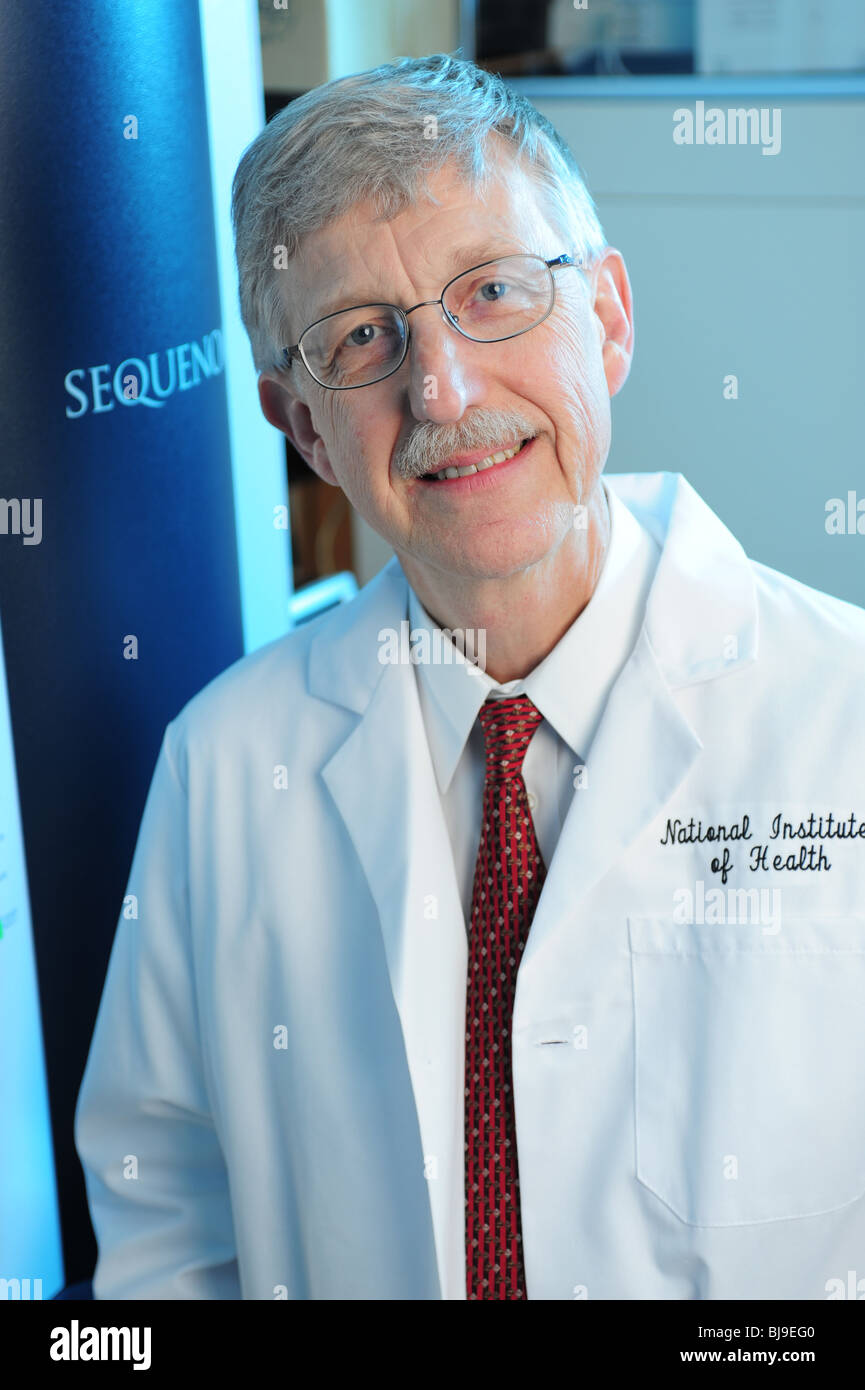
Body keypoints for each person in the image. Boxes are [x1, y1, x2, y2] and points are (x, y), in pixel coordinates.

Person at [75, 54, 865, 1301]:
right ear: (302, 431)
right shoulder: (225, 764)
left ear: (604, 317)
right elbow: (167, 1208)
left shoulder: (845, 713)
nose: (440, 389)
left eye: (492, 290)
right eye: (360, 339)